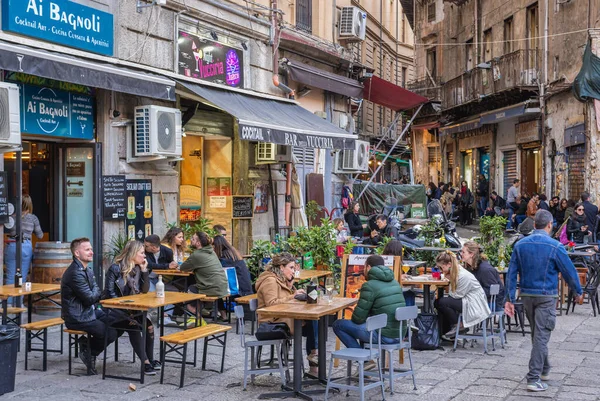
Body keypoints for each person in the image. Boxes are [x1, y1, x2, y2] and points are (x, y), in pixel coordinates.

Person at [505, 210, 582, 392]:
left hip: (527, 296)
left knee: (537, 334)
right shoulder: (555, 246)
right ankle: (533, 377)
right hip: (546, 295)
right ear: (549, 225)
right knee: (541, 335)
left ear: (534, 225)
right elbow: (569, 271)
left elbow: (511, 273)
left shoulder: (520, 245)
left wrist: (509, 298)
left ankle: (545, 368)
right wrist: (578, 291)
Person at [61, 238, 117, 375]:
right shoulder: (75, 273)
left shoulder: (87, 270)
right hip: (78, 317)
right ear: (77, 253)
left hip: (89, 312)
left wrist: (95, 291)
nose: (91, 252)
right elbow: (90, 298)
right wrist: (95, 291)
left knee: (119, 321)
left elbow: (97, 291)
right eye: (87, 250)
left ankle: (87, 346)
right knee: (110, 333)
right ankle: (88, 351)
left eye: (91, 249)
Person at [104, 240, 160, 375]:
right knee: (133, 325)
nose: (144, 256)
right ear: (133, 254)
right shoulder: (115, 268)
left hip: (132, 310)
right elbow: (109, 295)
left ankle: (150, 359)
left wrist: (145, 271)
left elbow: (145, 291)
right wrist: (125, 310)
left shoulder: (137, 269)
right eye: (142, 253)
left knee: (149, 325)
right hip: (115, 312)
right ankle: (145, 363)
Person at [333, 255, 405, 359]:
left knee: (338, 325)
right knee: (366, 325)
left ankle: (365, 361)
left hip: (384, 335)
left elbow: (357, 319)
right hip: (399, 335)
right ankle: (365, 367)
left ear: (369, 267)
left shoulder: (369, 285)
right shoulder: (395, 283)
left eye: (364, 266)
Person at [255, 252, 318, 368]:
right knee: (312, 321)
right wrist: (293, 296)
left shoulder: (281, 279)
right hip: (272, 323)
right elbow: (271, 304)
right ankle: (314, 356)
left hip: (282, 318)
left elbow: (284, 299)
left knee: (314, 320)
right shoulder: (270, 281)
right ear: (281, 267)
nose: (294, 271)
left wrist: (290, 287)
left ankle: (314, 357)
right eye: (291, 268)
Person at [433, 250, 490, 340]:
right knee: (439, 303)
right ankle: (447, 329)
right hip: (467, 299)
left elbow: (456, 295)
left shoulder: (462, 275)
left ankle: (459, 325)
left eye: (442, 267)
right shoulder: (456, 271)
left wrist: (449, 282)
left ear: (449, 264)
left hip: (474, 304)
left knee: (442, 302)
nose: (441, 270)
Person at [180, 232, 229, 321]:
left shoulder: (196, 255)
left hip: (211, 287)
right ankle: (223, 315)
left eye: (193, 239)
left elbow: (182, 268)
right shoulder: (212, 252)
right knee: (213, 286)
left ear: (198, 243)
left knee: (190, 289)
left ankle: (197, 317)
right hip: (222, 286)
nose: (191, 240)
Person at [5, 195, 43, 305]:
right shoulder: (33, 218)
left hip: (12, 244)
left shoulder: (12, 217)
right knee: (22, 276)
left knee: (10, 276)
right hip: (25, 245)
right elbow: (40, 235)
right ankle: (18, 304)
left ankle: (8, 304)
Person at [460, 241, 505, 312]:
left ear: (471, 254)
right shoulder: (470, 267)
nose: (461, 254)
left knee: (448, 303)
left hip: (492, 303)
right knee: (449, 302)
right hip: (480, 300)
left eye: (463, 252)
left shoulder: (485, 269)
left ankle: (461, 323)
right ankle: (460, 322)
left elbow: (492, 290)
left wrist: (471, 293)